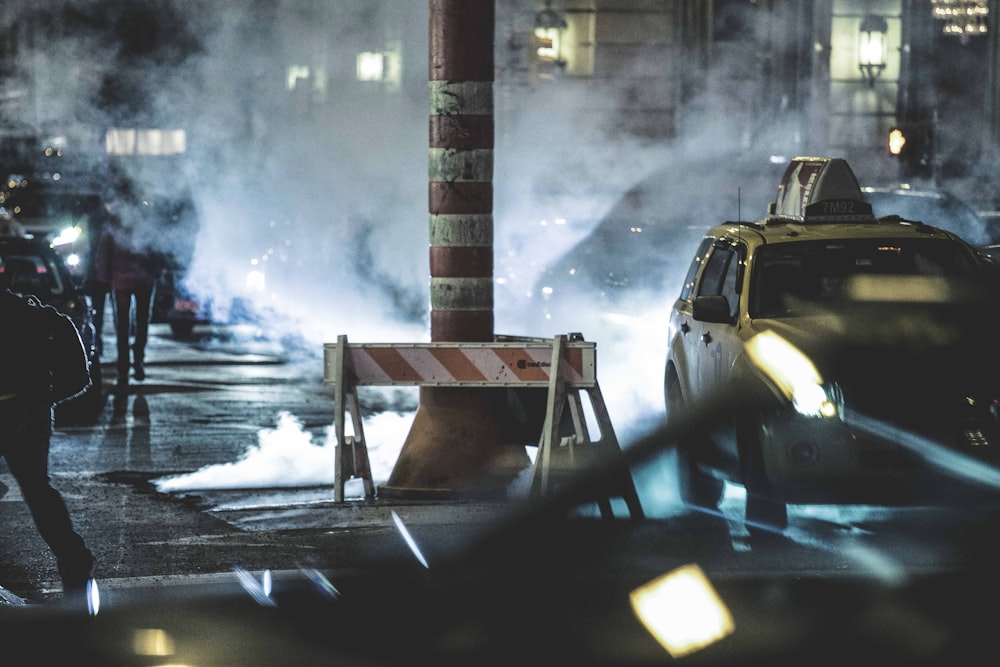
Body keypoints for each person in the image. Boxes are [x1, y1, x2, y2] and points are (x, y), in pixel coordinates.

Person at [0, 289, 95, 601]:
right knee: (38, 489)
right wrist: (43, 400)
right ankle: (73, 556)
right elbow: (80, 376)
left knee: (36, 488)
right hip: (31, 412)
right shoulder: (35, 314)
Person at [95, 175, 164, 388]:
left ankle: (124, 366)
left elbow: (104, 251)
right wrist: (156, 271)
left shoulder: (114, 220)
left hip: (121, 279)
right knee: (141, 322)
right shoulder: (147, 219)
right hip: (142, 279)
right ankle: (138, 361)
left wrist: (104, 278)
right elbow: (156, 250)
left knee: (122, 324)